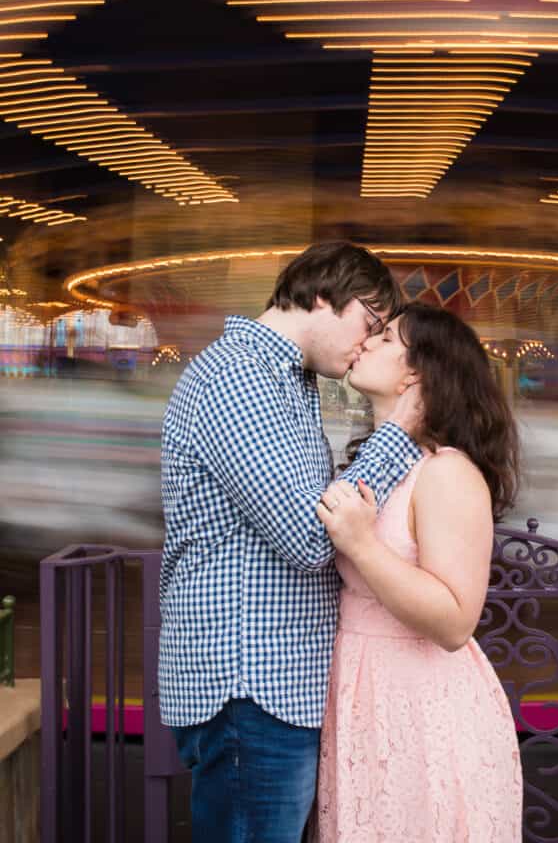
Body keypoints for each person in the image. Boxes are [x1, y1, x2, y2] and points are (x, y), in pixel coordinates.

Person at [158, 241, 423, 843]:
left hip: (269, 689)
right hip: (251, 688)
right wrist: (404, 432)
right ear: (325, 295)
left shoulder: (284, 382)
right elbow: (310, 535)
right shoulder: (239, 378)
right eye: (371, 323)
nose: (369, 341)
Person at [315, 302, 524, 842]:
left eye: (385, 338)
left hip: (422, 707)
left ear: (416, 371)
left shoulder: (447, 472)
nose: (366, 342)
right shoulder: (385, 465)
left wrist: (362, 545)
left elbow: (455, 621)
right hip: (362, 694)